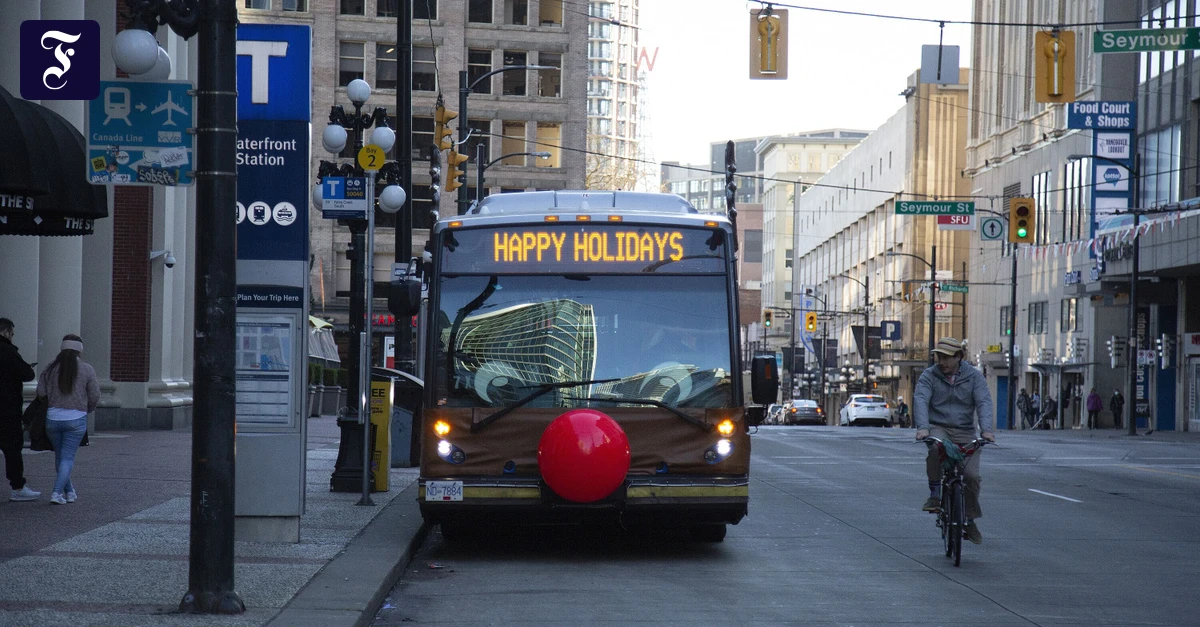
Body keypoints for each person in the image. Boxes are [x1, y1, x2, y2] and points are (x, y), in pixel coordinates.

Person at [914, 337, 994, 545]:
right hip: (938, 426)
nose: (942, 361)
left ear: (959, 357)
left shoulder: (974, 377)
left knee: (971, 476)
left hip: (966, 431)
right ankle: (934, 494)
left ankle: (969, 519)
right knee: (934, 447)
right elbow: (921, 400)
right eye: (939, 356)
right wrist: (923, 428)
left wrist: (986, 431)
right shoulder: (929, 376)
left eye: (947, 357)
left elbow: (984, 402)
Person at [36, 334, 99, 505]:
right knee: (67, 458)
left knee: (60, 457)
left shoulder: (50, 369)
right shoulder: (86, 369)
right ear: (80, 351)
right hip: (76, 418)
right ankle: (56, 493)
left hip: (52, 419)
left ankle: (70, 492)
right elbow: (94, 395)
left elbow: (41, 393)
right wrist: (88, 408)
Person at [0, 318, 40, 502]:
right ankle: (18, 487)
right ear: (6, 331)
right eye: (12, 333)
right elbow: (28, 374)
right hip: (7, 409)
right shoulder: (8, 351)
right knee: (12, 450)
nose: (12, 337)